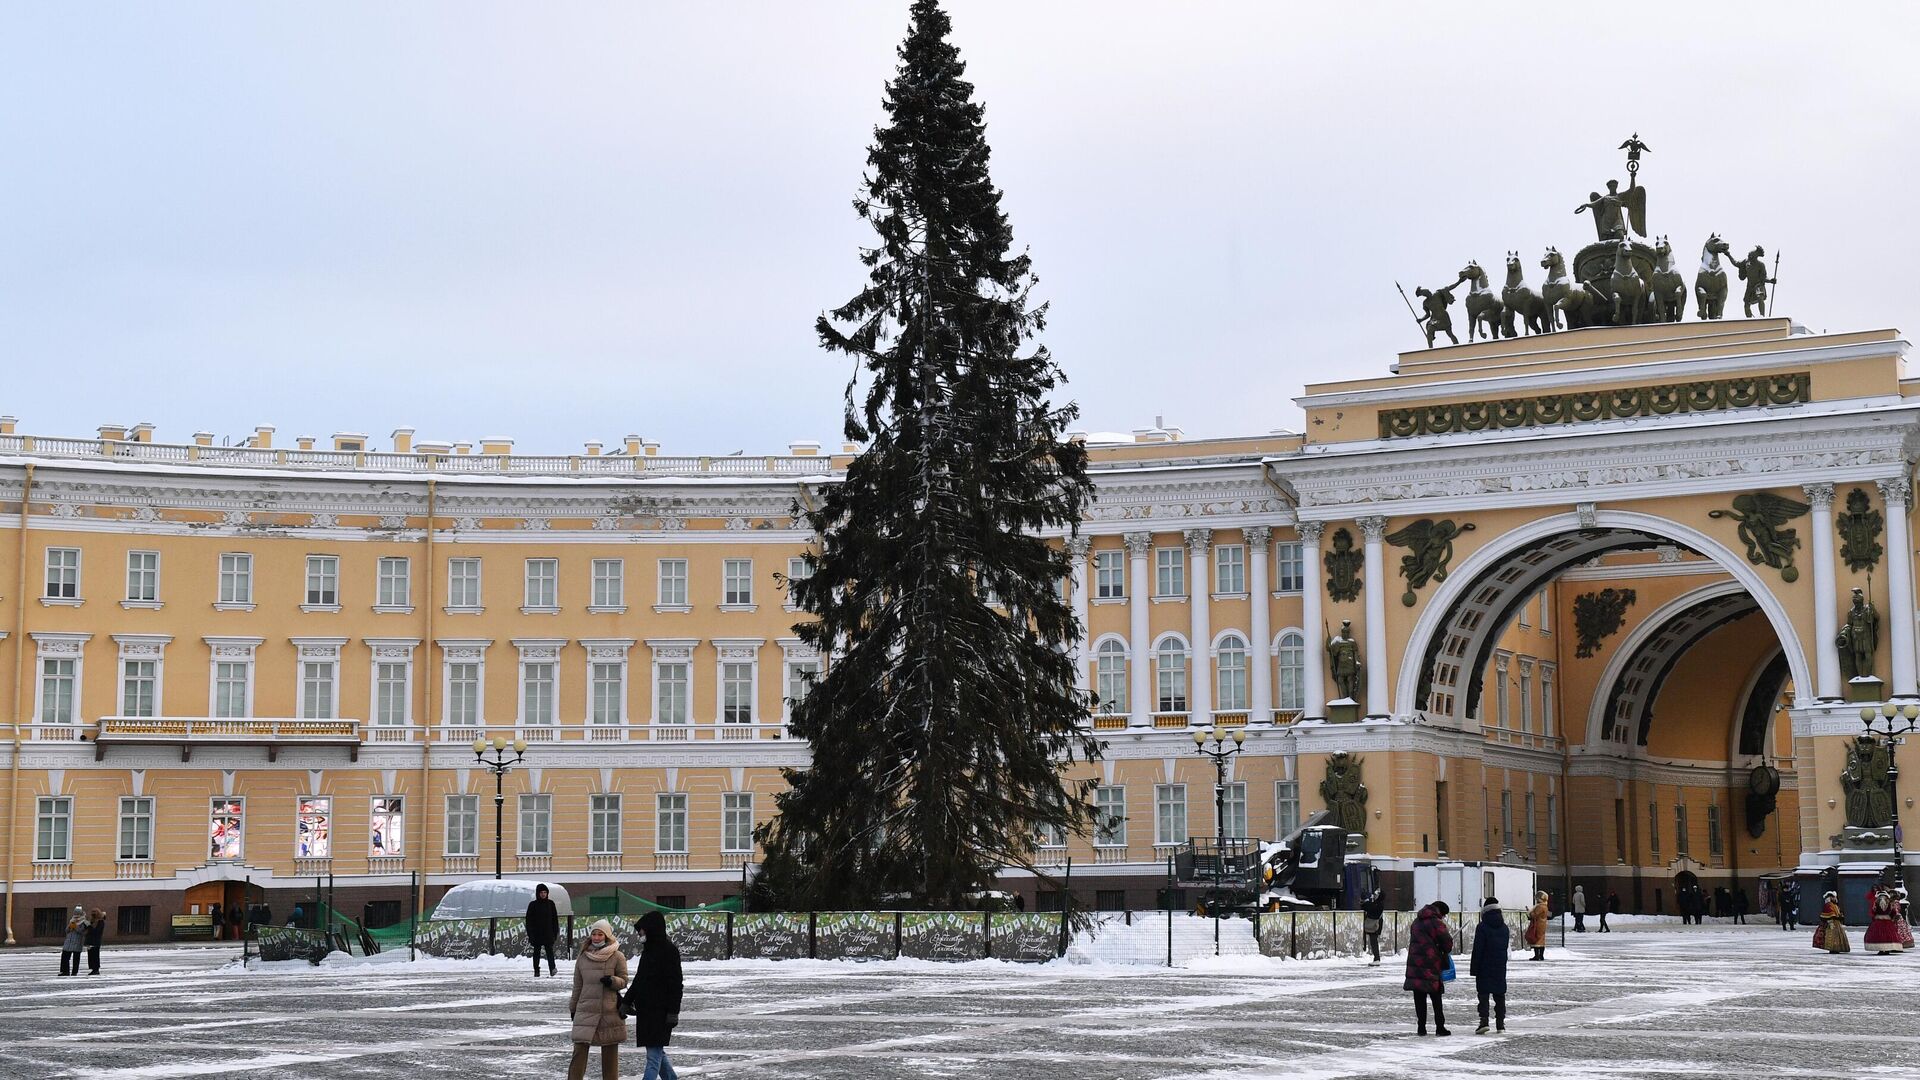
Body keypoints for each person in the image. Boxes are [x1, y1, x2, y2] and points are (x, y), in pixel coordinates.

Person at [624, 910, 685, 1080]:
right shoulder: (648, 950)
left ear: (651, 929)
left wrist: (673, 1011)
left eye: (641, 930)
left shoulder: (669, 951)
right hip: (646, 1011)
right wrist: (626, 1002)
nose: (640, 934)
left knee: (653, 1056)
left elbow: (675, 984)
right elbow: (639, 980)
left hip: (662, 1013)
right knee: (657, 1053)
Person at [568, 919, 629, 1080]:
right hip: (586, 1010)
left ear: (607, 936)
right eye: (594, 934)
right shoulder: (583, 957)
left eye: (600, 934)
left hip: (608, 1011)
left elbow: (624, 980)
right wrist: (573, 1008)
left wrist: (613, 981)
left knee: (610, 1053)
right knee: (579, 1050)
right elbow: (577, 986)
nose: (596, 937)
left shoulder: (617, 956)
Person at [1403, 900, 1453, 1037]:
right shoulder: (1437, 923)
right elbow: (1447, 944)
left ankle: (1421, 1028)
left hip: (1416, 964)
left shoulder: (1416, 921)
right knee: (1436, 997)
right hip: (1431, 964)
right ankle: (1440, 1027)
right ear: (1440, 912)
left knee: (1419, 997)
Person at [1469, 900, 1510, 1035]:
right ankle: (1500, 1024)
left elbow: (1478, 949)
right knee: (1499, 995)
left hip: (1484, 966)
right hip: (1499, 966)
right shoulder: (1504, 927)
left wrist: (1474, 968)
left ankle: (1484, 1022)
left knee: (1483, 994)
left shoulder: (1482, 927)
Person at [526, 883, 560, 978]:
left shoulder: (550, 904)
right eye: (541, 892)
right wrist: (531, 935)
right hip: (536, 934)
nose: (543, 894)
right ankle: (536, 970)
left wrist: (555, 933)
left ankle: (552, 968)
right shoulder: (533, 905)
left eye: (545, 892)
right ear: (538, 893)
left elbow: (554, 920)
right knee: (536, 952)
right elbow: (529, 921)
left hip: (548, 933)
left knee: (550, 951)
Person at [1865, 886, 1904, 954]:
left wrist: (1874, 917)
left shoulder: (1876, 902)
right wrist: (1891, 917)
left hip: (1878, 919)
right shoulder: (1889, 902)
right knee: (1888, 934)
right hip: (1887, 920)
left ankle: (1881, 949)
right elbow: (1893, 912)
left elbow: (1873, 911)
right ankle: (1887, 949)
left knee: (1878, 934)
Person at [1361, 888, 1386, 965]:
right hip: (1375, 925)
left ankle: (1377, 958)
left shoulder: (1378, 904)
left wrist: (1366, 902)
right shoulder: (1376, 903)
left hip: (1375, 926)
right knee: (1373, 942)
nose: (1374, 896)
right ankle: (1376, 958)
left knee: (1374, 942)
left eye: (1375, 895)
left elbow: (1370, 909)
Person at [60, 907, 87, 976]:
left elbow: (82, 932)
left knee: (76, 959)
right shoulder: (72, 920)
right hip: (68, 941)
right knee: (65, 957)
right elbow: (66, 931)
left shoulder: (84, 921)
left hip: (77, 942)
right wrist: (69, 927)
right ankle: (65, 971)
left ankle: (74, 972)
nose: (76, 915)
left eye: (78, 913)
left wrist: (75, 927)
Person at [1525, 891, 1549, 961]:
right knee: (1541, 940)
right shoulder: (1545, 906)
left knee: (1536, 940)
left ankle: (1537, 956)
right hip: (1542, 924)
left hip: (1537, 924)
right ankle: (1541, 956)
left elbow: (1533, 915)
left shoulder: (1540, 906)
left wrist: (1528, 912)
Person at [84, 907, 107, 975]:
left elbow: (96, 931)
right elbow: (87, 929)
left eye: (95, 912)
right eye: (92, 912)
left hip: (95, 941)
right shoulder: (91, 921)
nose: (93, 914)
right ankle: (93, 968)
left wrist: (89, 926)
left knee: (95, 955)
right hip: (89, 941)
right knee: (90, 955)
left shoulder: (100, 922)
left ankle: (96, 969)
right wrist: (86, 924)